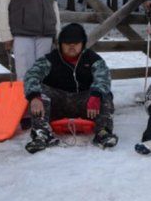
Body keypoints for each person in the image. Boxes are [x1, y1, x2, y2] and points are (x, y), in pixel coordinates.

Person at [22, 23, 117, 154]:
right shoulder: (49, 59)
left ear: (82, 44)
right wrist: (34, 96)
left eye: (76, 43)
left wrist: (95, 95)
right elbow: (31, 75)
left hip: (86, 104)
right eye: (67, 43)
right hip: (58, 102)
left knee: (105, 95)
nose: (72, 46)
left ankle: (103, 132)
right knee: (40, 94)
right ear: (61, 44)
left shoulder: (93, 59)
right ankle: (41, 134)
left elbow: (104, 77)